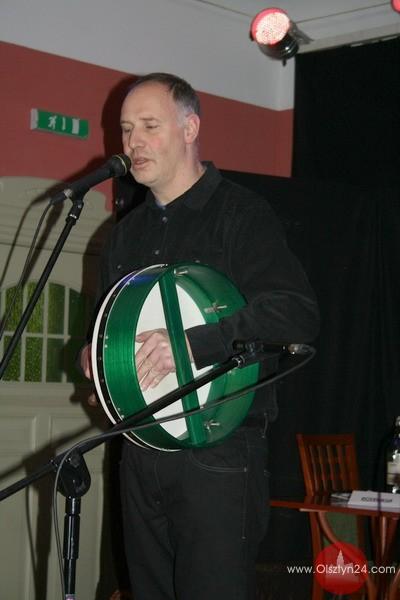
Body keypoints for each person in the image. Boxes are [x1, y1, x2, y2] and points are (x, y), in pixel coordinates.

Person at [80, 72, 319, 600]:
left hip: (219, 451)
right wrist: (98, 362)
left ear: (190, 129)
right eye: (126, 129)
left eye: (149, 126)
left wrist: (190, 344)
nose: (133, 142)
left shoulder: (240, 214)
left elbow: (294, 312)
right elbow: (104, 328)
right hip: (139, 447)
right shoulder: (124, 234)